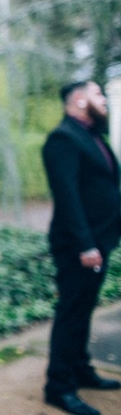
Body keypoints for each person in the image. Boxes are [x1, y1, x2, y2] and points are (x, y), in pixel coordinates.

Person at [42, 80, 121, 415]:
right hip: (80, 247)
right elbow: (68, 197)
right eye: (97, 94)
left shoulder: (91, 135)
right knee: (71, 315)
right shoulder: (63, 139)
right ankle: (58, 387)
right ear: (78, 99)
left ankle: (81, 369)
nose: (103, 100)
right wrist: (85, 245)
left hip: (99, 241)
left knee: (84, 311)